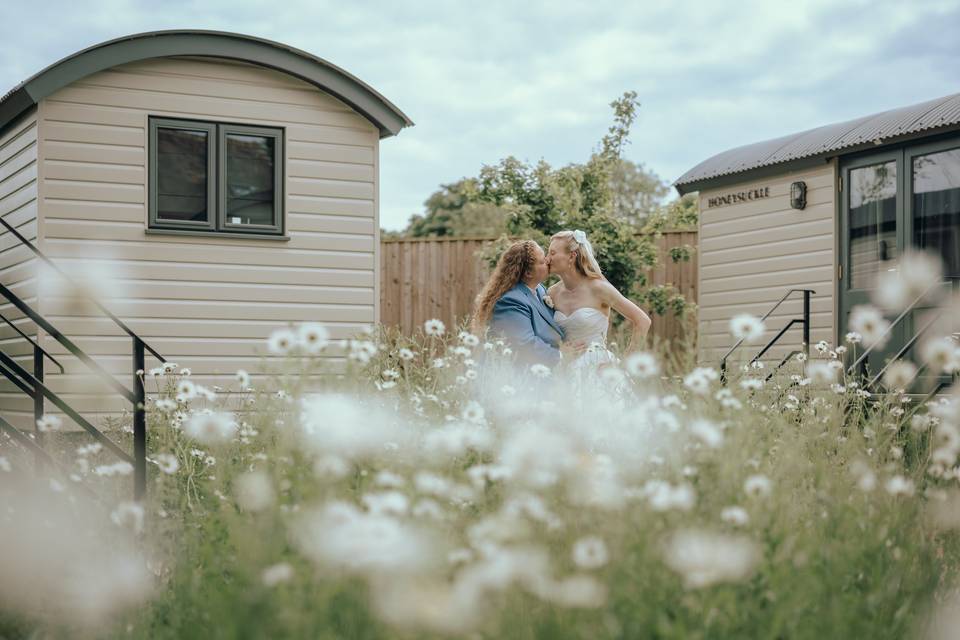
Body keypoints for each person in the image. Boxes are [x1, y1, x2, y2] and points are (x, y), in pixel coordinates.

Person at [545, 229, 651, 376]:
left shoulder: (599, 288)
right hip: (565, 371)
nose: (547, 259)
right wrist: (560, 352)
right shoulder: (552, 293)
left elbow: (643, 321)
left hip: (598, 371)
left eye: (552, 253)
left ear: (571, 256)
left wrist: (624, 367)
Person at [472, 240, 563, 367]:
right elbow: (525, 345)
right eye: (542, 261)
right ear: (528, 273)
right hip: (518, 377)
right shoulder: (510, 301)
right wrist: (562, 356)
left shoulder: (540, 289)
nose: (548, 260)